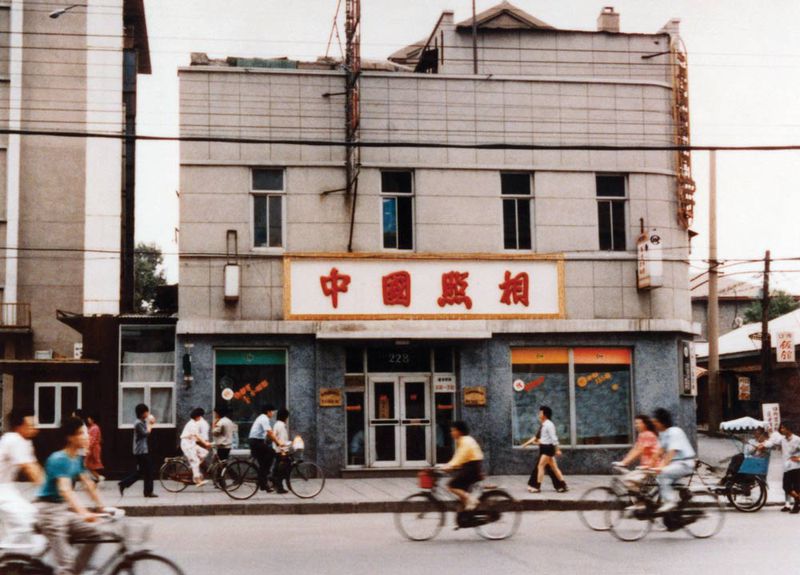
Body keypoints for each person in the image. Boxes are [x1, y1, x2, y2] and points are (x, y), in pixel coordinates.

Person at [36, 416, 115, 575]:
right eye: (81, 433)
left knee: (96, 533)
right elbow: (66, 490)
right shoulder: (59, 459)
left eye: (85, 432)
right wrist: (84, 513)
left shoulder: (77, 459)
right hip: (49, 514)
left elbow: (89, 485)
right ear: (70, 438)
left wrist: (103, 507)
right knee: (67, 564)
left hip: (62, 511)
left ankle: (76, 571)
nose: (86, 436)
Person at [0, 409, 44, 550]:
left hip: (6, 487)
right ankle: (8, 560)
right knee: (26, 518)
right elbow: (30, 469)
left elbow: (35, 468)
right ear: (19, 426)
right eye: (31, 425)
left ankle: (12, 557)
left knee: (26, 518)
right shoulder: (14, 439)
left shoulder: (24, 442)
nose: (35, 428)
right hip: (2, 489)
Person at [652, 408, 696, 513]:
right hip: (676, 464)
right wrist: (649, 466)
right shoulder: (663, 434)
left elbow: (672, 452)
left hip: (684, 463)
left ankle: (671, 502)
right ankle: (671, 521)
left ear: (662, 422)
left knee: (662, 474)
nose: (655, 425)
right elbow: (659, 452)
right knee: (662, 481)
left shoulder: (675, 432)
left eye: (656, 422)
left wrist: (661, 467)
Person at [521, 405, 568, 493]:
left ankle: (537, 487)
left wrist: (557, 449)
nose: (539, 414)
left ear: (545, 414)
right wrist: (527, 444)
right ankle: (563, 485)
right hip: (545, 448)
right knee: (554, 468)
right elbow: (541, 438)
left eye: (540, 412)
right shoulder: (544, 424)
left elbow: (554, 438)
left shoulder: (549, 425)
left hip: (547, 449)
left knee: (540, 466)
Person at [441, 420, 483, 511]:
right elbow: (458, 457)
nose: (451, 433)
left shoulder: (465, 441)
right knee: (461, 490)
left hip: (471, 468)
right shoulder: (464, 440)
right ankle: (467, 514)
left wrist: (450, 466)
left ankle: (471, 500)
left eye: (453, 430)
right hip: (471, 467)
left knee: (451, 485)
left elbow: (460, 457)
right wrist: (450, 465)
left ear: (459, 431)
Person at [759, 421, 800, 513]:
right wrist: (762, 445)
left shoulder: (797, 439)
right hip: (787, 467)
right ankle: (797, 499)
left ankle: (796, 506)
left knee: (797, 487)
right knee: (786, 487)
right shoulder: (782, 439)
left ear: (789, 429)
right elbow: (771, 442)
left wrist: (798, 458)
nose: (782, 430)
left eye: (783, 428)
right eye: (781, 428)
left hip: (797, 467)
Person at [118, 403, 157, 498]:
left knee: (143, 471)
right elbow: (145, 433)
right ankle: (147, 492)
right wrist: (151, 425)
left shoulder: (142, 421)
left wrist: (149, 422)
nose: (148, 413)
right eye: (146, 412)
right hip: (140, 451)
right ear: (142, 413)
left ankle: (124, 484)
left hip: (143, 450)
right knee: (148, 470)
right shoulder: (138, 423)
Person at [613, 414, 661, 490]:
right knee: (630, 479)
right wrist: (623, 462)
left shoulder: (648, 434)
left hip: (651, 468)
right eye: (635, 423)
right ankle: (639, 498)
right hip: (645, 467)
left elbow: (639, 450)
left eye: (638, 423)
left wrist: (624, 463)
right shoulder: (642, 435)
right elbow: (635, 449)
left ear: (644, 424)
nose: (636, 425)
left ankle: (640, 501)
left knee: (628, 481)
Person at [249, 404, 278, 492]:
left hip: (257, 441)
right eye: (272, 411)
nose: (273, 413)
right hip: (256, 442)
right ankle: (263, 476)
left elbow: (268, 433)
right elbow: (269, 432)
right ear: (268, 411)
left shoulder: (262, 418)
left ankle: (263, 483)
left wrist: (274, 439)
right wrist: (278, 442)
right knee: (272, 452)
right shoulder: (264, 418)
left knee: (263, 463)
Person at [180, 408, 212, 487]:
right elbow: (196, 435)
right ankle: (197, 480)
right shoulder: (192, 424)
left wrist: (206, 442)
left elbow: (197, 436)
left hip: (192, 443)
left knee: (204, 453)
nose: (201, 418)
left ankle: (193, 467)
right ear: (197, 416)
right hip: (187, 444)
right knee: (195, 461)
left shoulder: (195, 423)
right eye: (200, 416)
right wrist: (205, 443)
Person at [271, 408, 292, 494]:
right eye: (287, 417)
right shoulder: (282, 426)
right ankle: (279, 486)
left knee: (277, 469)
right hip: (281, 451)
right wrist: (290, 444)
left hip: (277, 450)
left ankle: (274, 482)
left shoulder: (276, 424)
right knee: (284, 469)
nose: (287, 419)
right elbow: (282, 441)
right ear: (285, 417)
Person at [83, 413, 104, 483]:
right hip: (92, 448)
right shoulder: (92, 427)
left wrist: (88, 448)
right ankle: (97, 478)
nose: (88, 419)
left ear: (93, 419)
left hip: (93, 448)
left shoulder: (95, 428)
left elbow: (93, 439)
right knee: (89, 465)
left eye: (89, 418)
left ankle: (98, 478)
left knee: (89, 465)